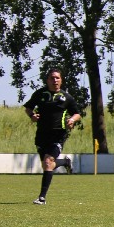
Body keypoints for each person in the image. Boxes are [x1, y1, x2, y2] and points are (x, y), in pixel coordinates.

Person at [24, 68, 82, 204]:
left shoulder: (66, 97)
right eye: (52, 78)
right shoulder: (40, 94)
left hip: (58, 135)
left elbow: (77, 113)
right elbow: (28, 108)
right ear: (47, 80)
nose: (55, 80)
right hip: (42, 135)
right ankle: (65, 162)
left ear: (61, 80)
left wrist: (72, 120)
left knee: (48, 162)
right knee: (47, 165)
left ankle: (42, 198)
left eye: (57, 78)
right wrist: (32, 115)